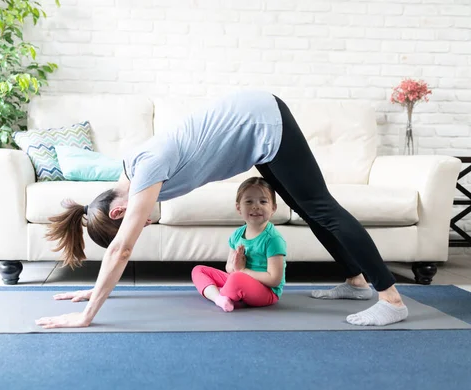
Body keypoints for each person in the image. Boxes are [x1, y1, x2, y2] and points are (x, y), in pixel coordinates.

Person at [35, 90, 408, 329]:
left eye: (136, 224)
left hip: (263, 122)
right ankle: (357, 283)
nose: (143, 223)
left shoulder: (144, 171)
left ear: (119, 213)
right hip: (256, 132)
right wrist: (95, 283)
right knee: (310, 210)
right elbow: (90, 205)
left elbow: (122, 249)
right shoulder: (126, 175)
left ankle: (391, 300)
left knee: (322, 208)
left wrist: (87, 315)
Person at [191, 177, 286, 312]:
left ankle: (216, 293)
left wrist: (242, 271)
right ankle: (220, 298)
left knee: (236, 278)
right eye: (249, 201)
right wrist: (236, 266)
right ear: (238, 208)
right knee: (198, 270)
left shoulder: (273, 239)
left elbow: (274, 279)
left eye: (263, 201)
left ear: (273, 208)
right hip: (240, 279)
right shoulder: (237, 235)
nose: (256, 206)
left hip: (267, 291)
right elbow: (229, 268)